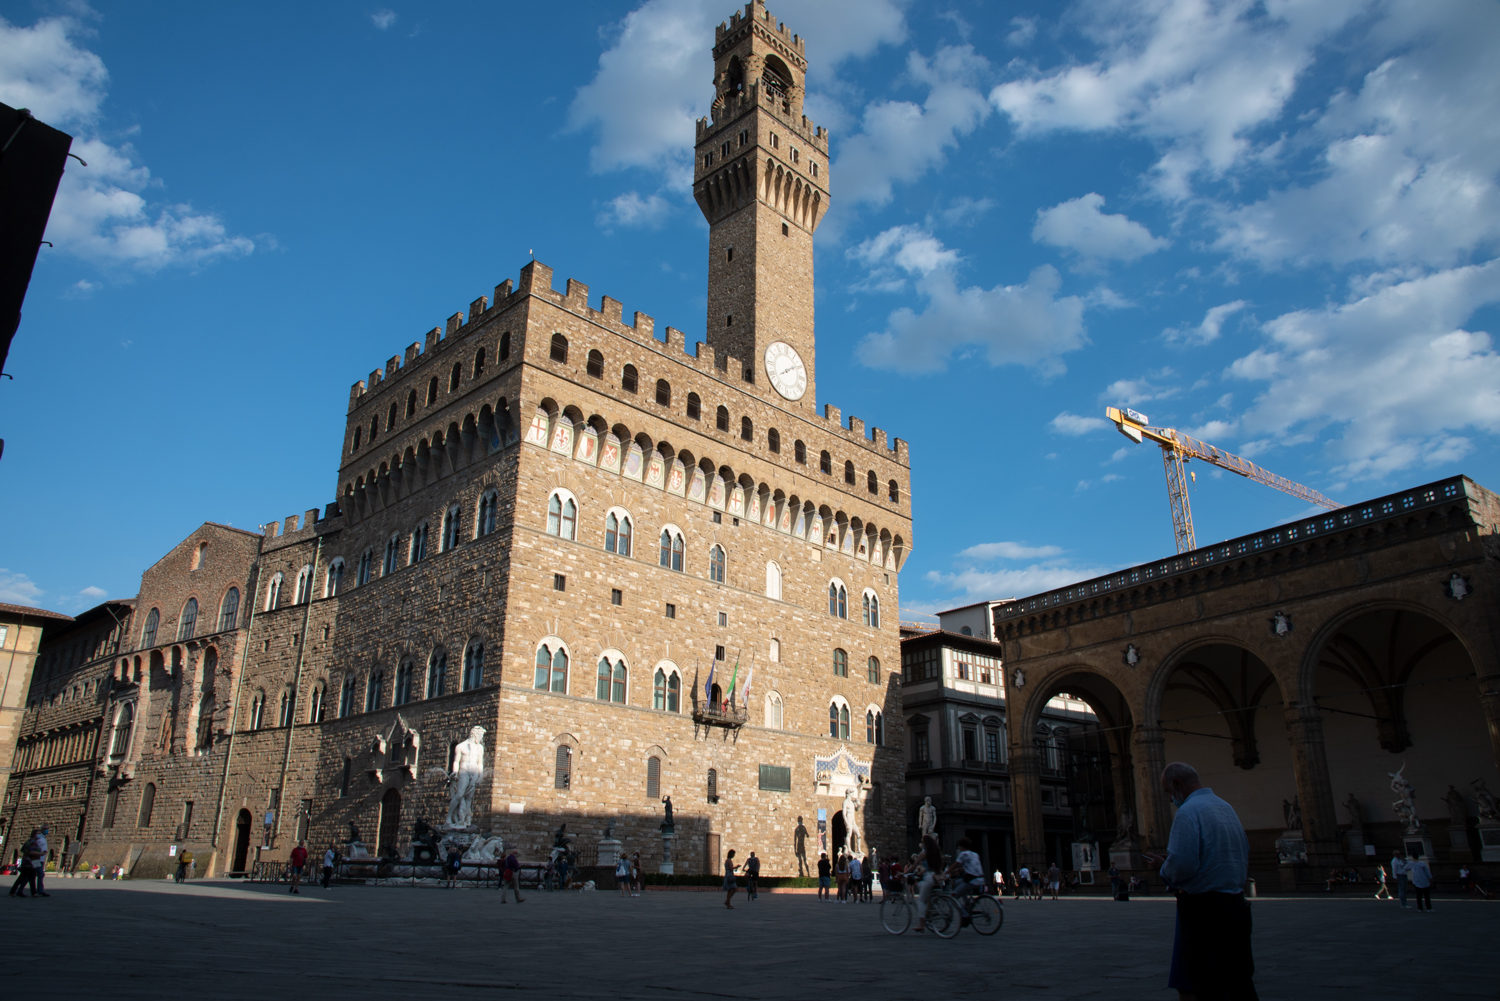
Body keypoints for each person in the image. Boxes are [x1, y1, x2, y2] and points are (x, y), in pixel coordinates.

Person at [1144, 762, 1256, 1001]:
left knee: (1208, 983)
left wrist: (1163, 866)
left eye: (1168, 792)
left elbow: (1183, 866)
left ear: (1177, 784)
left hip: (1204, 911)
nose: (1170, 798)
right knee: (1239, 981)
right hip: (1236, 906)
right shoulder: (1225, 807)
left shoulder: (1188, 812)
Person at [912, 835, 943, 933]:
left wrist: (904, 873)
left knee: (920, 900)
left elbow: (914, 866)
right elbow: (932, 866)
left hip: (929, 878)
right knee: (922, 887)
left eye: (922, 842)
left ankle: (921, 924)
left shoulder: (924, 853)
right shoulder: (936, 852)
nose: (921, 844)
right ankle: (928, 913)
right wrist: (922, 872)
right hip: (938, 877)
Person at [948, 837, 986, 902]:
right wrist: (958, 869)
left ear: (961, 846)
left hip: (972, 881)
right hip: (981, 879)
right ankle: (966, 902)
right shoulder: (975, 854)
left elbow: (954, 865)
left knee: (953, 896)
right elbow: (971, 867)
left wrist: (945, 872)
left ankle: (964, 908)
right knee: (957, 883)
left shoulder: (963, 854)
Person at [9, 829, 44, 897]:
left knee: (22, 878)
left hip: (26, 862)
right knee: (32, 878)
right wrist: (41, 853)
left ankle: (13, 892)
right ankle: (34, 893)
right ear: (34, 834)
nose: (39, 835)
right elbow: (32, 852)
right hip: (31, 862)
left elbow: (22, 850)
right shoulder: (33, 842)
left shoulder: (28, 841)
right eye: (38, 833)